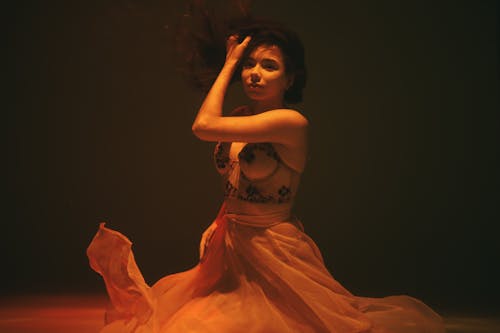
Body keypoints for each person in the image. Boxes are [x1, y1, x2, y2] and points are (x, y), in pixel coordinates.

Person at [87, 16, 446, 333]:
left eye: (269, 66)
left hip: (273, 255)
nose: (255, 73)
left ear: (290, 78)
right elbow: (229, 171)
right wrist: (218, 226)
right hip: (231, 252)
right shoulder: (242, 114)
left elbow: (203, 125)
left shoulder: (290, 123)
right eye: (250, 64)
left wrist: (228, 66)